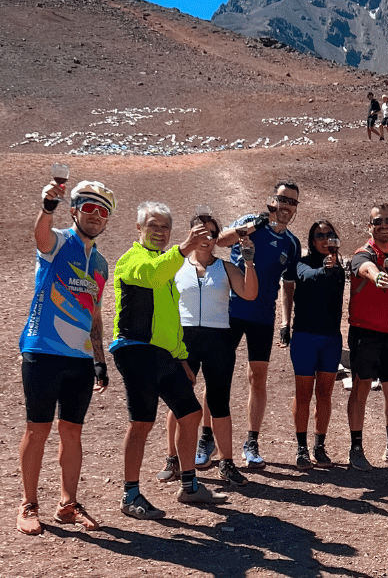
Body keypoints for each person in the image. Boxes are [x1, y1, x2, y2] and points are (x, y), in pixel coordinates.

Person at [111, 202, 227, 519]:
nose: (159, 232)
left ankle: (189, 486)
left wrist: (183, 358)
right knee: (141, 422)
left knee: (190, 414)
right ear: (139, 228)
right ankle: (130, 494)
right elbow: (152, 276)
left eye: (165, 227)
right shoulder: (133, 260)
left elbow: (171, 319)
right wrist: (185, 247)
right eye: (153, 225)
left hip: (164, 355)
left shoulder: (167, 265)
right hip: (135, 349)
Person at [17, 179, 116, 535]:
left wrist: (100, 359)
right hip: (42, 351)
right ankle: (28, 504)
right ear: (74, 210)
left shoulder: (102, 264)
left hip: (79, 359)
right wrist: (47, 207)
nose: (96, 215)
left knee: (72, 431)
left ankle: (67, 505)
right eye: (88, 207)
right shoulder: (59, 241)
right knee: (38, 429)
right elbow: (40, 237)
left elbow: (96, 314)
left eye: (103, 211)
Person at [159, 215, 257, 489]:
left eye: (212, 233)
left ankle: (226, 463)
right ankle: (173, 460)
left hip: (218, 339)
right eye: (200, 232)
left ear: (217, 238)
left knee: (219, 402)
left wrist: (249, 261)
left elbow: (249, 294)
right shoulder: (175, 265)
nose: (206, 237)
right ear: (191, 234)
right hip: (184, 338)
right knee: (179, 400)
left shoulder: (226, 268)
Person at [216, 181, 302, 468]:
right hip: (229, 309)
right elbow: (222, 240)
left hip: (263, 317)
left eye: (292, 202)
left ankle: (251, 440)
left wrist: (285, 322)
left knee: (258, 377)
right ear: (272, 201)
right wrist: (252, 227)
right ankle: (206, 437)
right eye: (283, 200)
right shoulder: (250, 222)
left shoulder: (291, 243)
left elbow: (288, 286)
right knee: (218, 375)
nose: (287, 206)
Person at [346, 203, 388, 470]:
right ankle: (356, 447)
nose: (384, 225)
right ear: (369, 226)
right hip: (366, 332)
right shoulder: (363, 253)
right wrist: (377, 277)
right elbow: (363, 268)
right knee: (361, 387)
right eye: (377, 221)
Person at [286, 220, 346, 470]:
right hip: (304, 338)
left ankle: (319, 446)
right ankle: (301, 447)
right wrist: (324, 268)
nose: (324, 239)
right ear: (312, 241)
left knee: (325, 394)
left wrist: (331, 268)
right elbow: (307, 278)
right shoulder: (302, 264)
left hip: (331, 339)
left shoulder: (339, 269)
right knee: (303, 394)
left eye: (329, 235)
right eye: (319, 236)